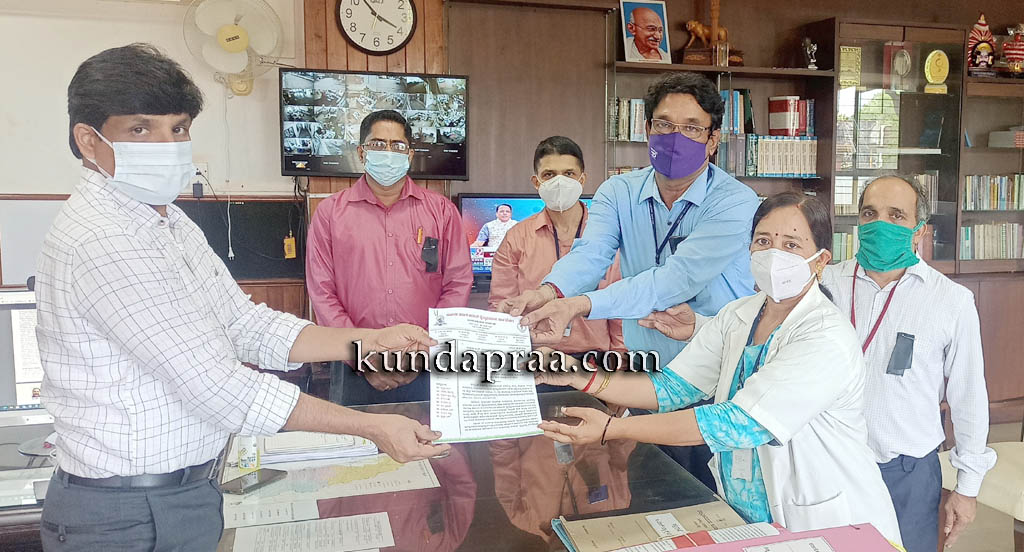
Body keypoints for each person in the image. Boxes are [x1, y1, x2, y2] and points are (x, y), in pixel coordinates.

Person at [37, 43, 450, 551]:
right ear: (89, 140)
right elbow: (217, 385)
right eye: (141, 130)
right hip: (125, 512)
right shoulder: (102, 239)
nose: (167, 145)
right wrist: (371, 427)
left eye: (179, 128)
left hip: (184, 491)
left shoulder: (167, 221)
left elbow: (245, 325)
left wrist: (368, 340)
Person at [534, 193, 902, 545]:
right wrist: (578, 374)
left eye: (791, 245)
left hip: (827, 520)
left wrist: (613, 429)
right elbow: (671, 388)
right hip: (750, 517)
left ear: (821, 261)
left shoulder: (825, 335)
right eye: (763, 241)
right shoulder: (739, 315)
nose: (774, 254)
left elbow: (740, 423)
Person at [499, 72, 760, 487]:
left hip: (718, 379)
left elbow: (676, 280)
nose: (675, 137)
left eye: (692, 128)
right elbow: (591, 253)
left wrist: (580, 304)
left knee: (714, 503)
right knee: (654, 499)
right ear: (647, 129)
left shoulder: (735, 203)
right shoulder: (618, 191)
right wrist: (549, 292)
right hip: (647, 380)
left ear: (713, 140)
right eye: (664, 124)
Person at [820, 175, 996, 552]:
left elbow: (968, 397)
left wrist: (968, 488)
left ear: (919, 230)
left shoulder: (951, 301)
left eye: (896, 215)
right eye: (870, 213)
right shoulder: (825, 284)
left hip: (907, 474)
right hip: (827, 465)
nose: (881, 223)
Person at [306, 110, 473, 404]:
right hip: (355, 364)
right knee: (356, 435)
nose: (387, 152)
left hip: (425, 363)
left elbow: (458, 282)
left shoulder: (442, 211)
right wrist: (363, 356)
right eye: (377, 144)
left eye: (397, 145)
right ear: (361, 153)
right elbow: (322, 292)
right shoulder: (330, 213)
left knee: (428, 433)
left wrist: (420, 353)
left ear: (409, 155)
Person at [489, 136, 624, 366]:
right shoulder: (516, 238)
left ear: (582, 179)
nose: (559, 182)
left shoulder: (608, 236)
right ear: (536, 182)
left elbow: (621, 310)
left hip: (596, 362)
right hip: (534, 360)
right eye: (549, 175)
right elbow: (502, 307)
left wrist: (620, 370)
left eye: (569, 174)